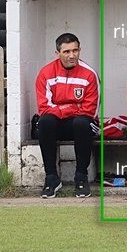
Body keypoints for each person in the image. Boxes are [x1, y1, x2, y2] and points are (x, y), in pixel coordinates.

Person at [35, 33, 99, 198]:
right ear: (57, 53)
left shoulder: (89, 74)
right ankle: (51, 178)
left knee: (82, 123)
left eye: (75, 51)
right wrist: (71, 108)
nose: (72, 55)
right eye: (67, 52)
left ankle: (81, 176)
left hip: (82, 125)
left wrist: (62, 109)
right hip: (58, 123)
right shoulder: (46, 73)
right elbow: (44, 108)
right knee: (45, 122)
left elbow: (90, 110)